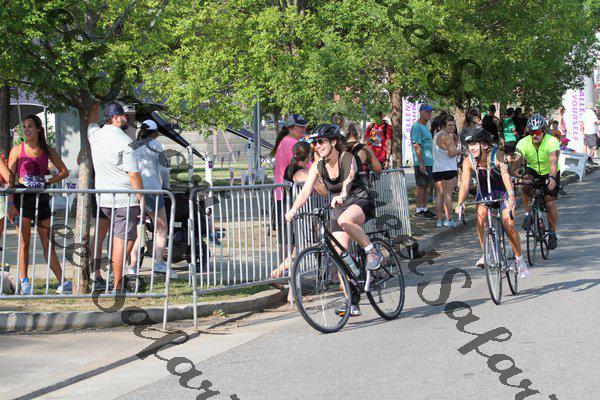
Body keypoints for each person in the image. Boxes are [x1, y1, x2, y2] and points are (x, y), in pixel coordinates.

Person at [285, 124, 382, 317]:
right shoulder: (318, 166)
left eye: (322, 142)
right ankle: (351, 301)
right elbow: (305, 191)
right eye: (316, 143)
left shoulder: (347, 157)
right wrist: (294, 209)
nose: (318, 146)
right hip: (339, 206)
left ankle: (372, 251)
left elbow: (349, 177)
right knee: (340, 254)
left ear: (334, 142)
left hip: (359, 199)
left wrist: (343, 193)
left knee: (346, 220)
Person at [7, 114, 70, 294]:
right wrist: (10, 204)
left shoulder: (47, 150)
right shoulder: (17, 150)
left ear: (38, 129)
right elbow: (10, 179)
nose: (26, 129)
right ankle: (25, 282)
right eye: (24, 126)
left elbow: (64, 171)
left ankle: (62, 282)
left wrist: (48, 181)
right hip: (23, 199)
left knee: (47, 241)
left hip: (41, 199)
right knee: (24, 242)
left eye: (30, 126)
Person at [455, 129, 528, 277]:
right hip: (484, 194)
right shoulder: (468, 161)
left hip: (503, 193)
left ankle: (519, 260)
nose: (472, 148)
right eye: (469, 145)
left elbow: (506, 176)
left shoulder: (497, 155)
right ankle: (486, 253)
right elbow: (465, 184)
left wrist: (511, 196)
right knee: (481, 217)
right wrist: (460, 203)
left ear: (485, 145)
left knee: (509, 224)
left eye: (475, 144)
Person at [88, 101, 144, 292]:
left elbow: (91, 122)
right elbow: (133, 174)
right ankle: (118, 285)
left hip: (103, 198)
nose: (126, 118)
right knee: (123, 240)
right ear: (115, 118)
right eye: (123, 115)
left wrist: (95, 102)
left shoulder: (95, 135)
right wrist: (142, 197)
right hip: (124, 198)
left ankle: (103, 274)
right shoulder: (125, 142)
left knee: (118, 237)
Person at [270, 141, 327, 282]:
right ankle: (277, 273)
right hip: (298, 214)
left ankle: (283, 279)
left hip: (294, 212)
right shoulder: (300, 172)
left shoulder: (291, 168)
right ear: (309, 156)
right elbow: (322, 190)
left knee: (298, 250)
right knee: (302, 248)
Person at [129, 120, 174, 278]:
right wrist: (167, 186)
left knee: (137, 229)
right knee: (161, 227)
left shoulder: (132, 145)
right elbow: (163, 169)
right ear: (154, 133)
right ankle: (158, 262)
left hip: (135, 190)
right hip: (152, 190)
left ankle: (133, 266)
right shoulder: (156, 145)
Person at [516, 113, 561, 250]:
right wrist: (515, 174)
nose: (534, 135)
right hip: (533, 170)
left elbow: (553, 162)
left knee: (549, 202)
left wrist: (552, 178)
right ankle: (528, 215)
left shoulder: (552, 141)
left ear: (543, 130)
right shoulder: (523, 143)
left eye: (537, 132)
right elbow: (517, 163)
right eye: (531, 132)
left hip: (549, 171)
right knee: (525, 183)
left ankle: (552, 233)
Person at [271, 114, 308, 250]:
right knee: (288, 239)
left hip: (283, 195)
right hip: (287, 195)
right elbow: (306, 166)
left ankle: (288, 262)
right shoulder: (291, 143)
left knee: (288, 238)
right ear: (291, 128)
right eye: (300, 126)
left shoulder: (286, 141)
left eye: (304, 126)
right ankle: (286, 263)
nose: (303, 129)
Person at [432, 115, 458, 227]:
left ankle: (439, 220)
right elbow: (452, 153)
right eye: (450, 125)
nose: (452, 127)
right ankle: (448, 219)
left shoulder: (436, 136)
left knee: (439, 195)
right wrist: (461, 152)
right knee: (447, 195)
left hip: (437, 170)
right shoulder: (447, 137)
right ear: (443, 125)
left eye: (453, 125)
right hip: (448, 169)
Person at [411, 104, 435, 219]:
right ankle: (418, 210)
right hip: (421, 163)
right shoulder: (417, 126)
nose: (429, 114)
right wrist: (421, 163)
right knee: (420, 186)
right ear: (421, 112)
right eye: (427, 112)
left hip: (428, 162)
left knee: (426, 186)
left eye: (430, 112)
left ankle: (424, 208)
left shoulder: (425, 126)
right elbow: (417, 145)